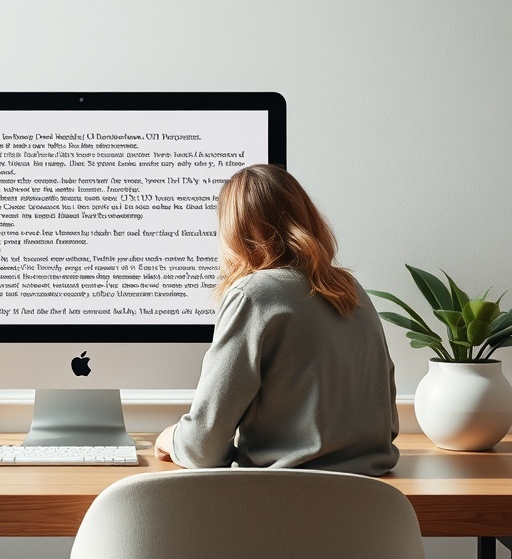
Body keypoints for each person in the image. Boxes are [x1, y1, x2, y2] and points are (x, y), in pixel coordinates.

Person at [154, 164, 399, 475]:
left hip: (284, 501)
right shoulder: (352, 290)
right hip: (372, 499)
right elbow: (388, 426)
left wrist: (170, 439)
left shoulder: (254, 294)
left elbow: (204, 449)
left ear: (235, 231)